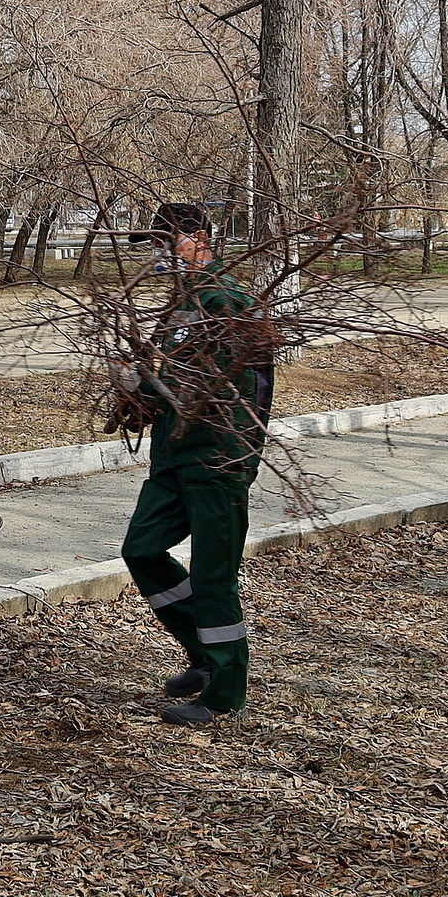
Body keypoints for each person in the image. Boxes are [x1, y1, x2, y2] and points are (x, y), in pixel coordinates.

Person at [118, 203, 274, 728]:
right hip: (173, 458)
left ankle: (224, 691)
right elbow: (177, 379)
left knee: (213, 575)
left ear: (199, 238)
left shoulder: (228, 301)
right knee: (141, 549)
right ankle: (202, 652)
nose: (159, 253)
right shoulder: (181, 303)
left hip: (215, 459)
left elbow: (227, 389)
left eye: (167, 242)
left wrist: (158, 389)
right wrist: (137, 394)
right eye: (154, 244)